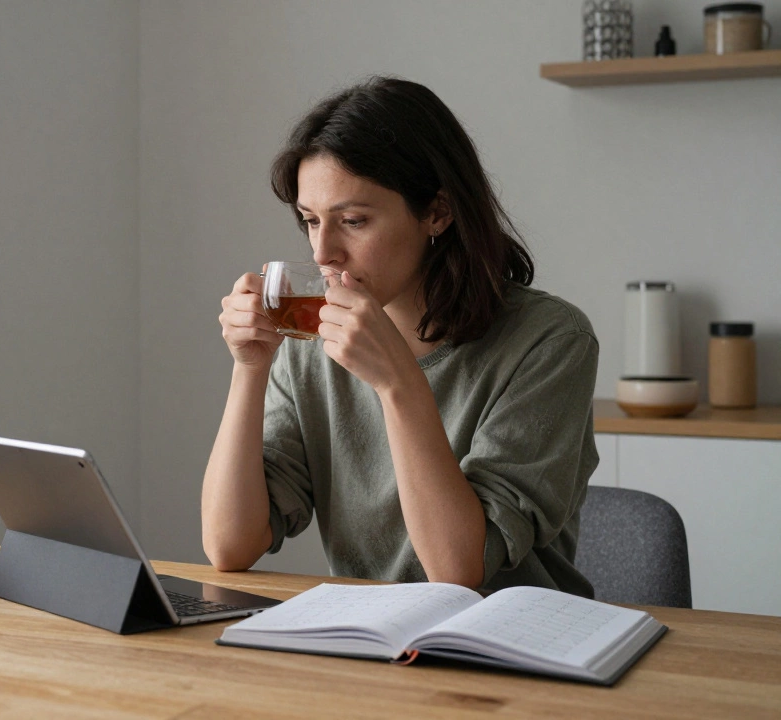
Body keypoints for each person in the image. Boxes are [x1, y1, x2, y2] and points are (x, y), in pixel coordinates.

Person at [202, 77, 598, 597]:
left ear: (437, 212)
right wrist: (249, 368)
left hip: (515, 653)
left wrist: (398, 383)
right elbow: (230, 545)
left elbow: (459, 571)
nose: (323, 252)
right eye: (309, 220)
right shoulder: (311, 340)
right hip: (373, 652)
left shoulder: (549, 343)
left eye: (353, 221)